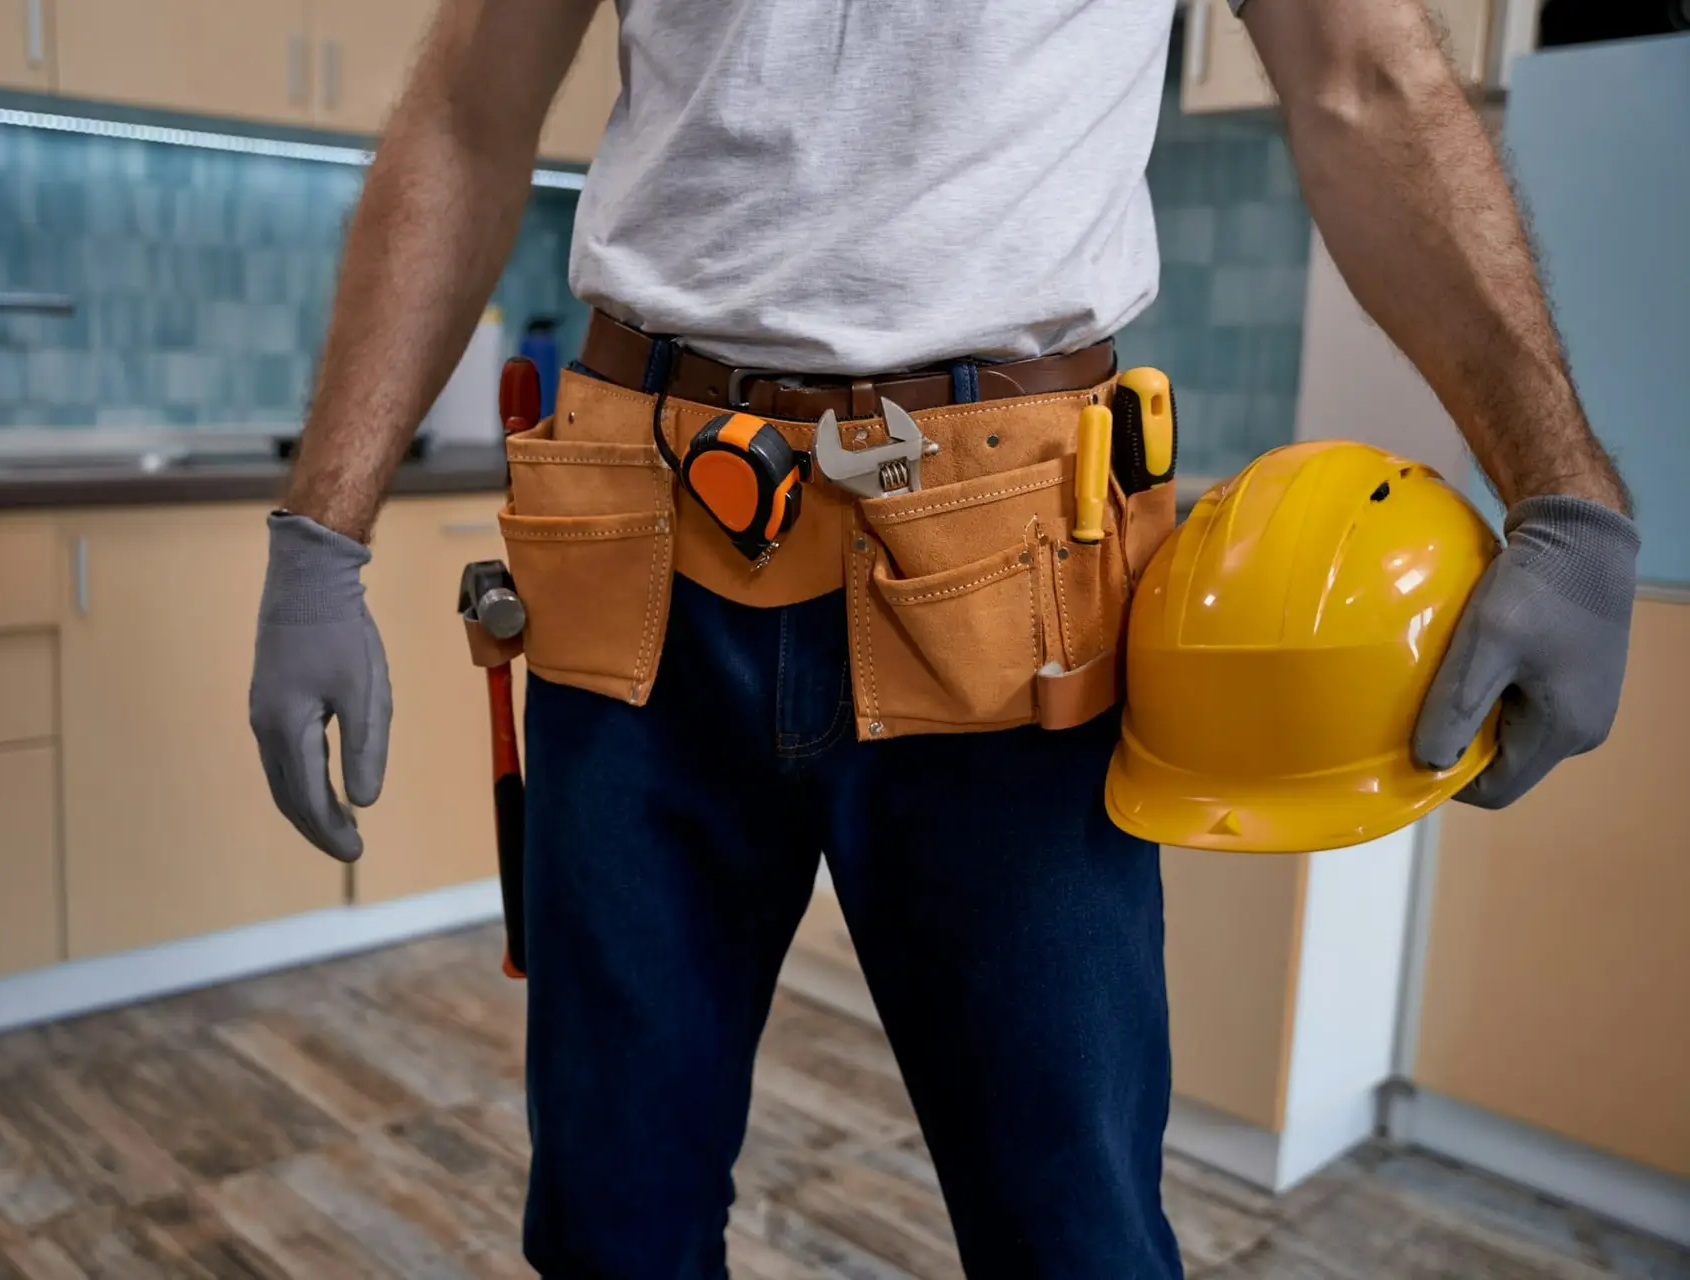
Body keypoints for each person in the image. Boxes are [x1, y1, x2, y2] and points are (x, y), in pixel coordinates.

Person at [248, 0, 1640, 1274]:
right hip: (634, 555)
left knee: (1071, 1235)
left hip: (1014, 577)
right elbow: (465, 117)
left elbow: (1365, 79)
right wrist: (322, 537)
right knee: (613, 1227)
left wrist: (1565, 490)